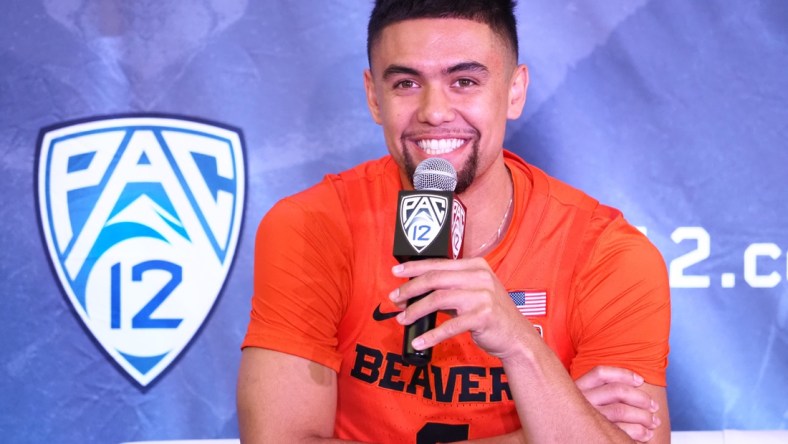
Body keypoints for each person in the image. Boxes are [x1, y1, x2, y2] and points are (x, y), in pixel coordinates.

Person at [237, 0, 671, 442]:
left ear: (514, 90)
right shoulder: (311, 226)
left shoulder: (610, 256)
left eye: (464, 81)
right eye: (406, 83)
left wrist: (520, 345)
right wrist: (538, 432)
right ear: (373, 97)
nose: (435, 111)